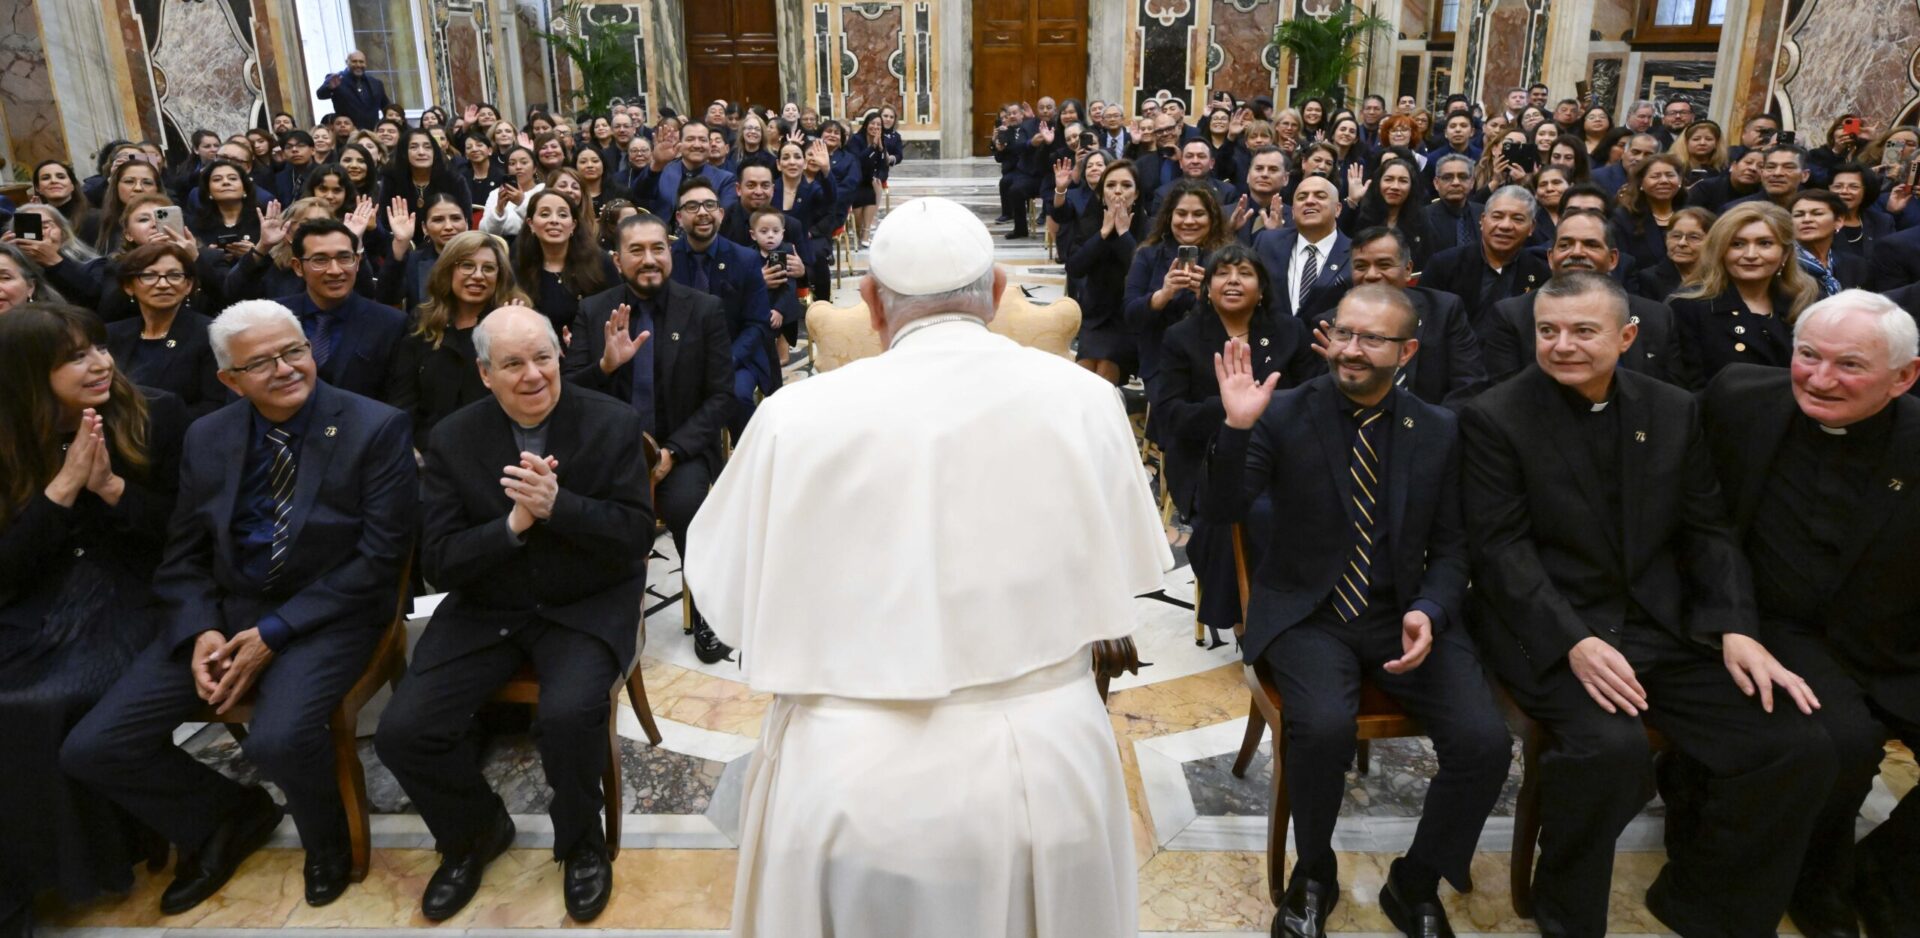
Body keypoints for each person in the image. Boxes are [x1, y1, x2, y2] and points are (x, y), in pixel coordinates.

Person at [683, 194, 1170, 938]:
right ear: (1000, 293)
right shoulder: (1090, 401)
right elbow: (1135, 567)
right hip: (1049, 771)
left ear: (872, 303)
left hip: (848, 782)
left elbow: (720, 591)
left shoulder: (793, 416)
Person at [1459, 271, 1834, 938]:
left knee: (1795, 744)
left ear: (1627, 336)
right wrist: (1573, 640)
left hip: (1664, 625)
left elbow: (1707, 530)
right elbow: (1501, 551)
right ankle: (1566, 914)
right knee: (1608, 755)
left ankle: (1701, 902)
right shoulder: (1495, 416)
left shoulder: (1672, 408)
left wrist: (1735, 628)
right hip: (1550, 629)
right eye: (1548, 331)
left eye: (1582, 331)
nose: (1562, 345)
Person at [61, 299, 417, 914]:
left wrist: (273, 632)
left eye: (294, 351)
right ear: (229, 379)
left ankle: (326, 842)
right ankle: (226, 817)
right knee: (96, 746)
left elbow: (378, 563)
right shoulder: (210, 434)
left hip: (329, 613)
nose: (285, 369)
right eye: (262, 363)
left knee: (276, 740)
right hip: (226, 610)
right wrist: (198, 626)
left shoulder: (374, 426)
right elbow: (184, 552)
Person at [1207, 284, 1508, 938]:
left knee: (1486, 743)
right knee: (1320, 728)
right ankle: (1313, 874)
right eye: (1343, 333)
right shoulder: (1283, 412)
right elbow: (1223, 509)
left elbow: (1455, 545)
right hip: (1310, 611)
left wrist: (1430, 607)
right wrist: (1237, 427)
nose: (1351, 349)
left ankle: (1417, 879)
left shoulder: (1437, 427)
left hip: (1404, 610)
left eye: (1371, 339)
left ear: (1407, 351)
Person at [375, 305, 649, 924]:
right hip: (488, 605)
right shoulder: (451, 438)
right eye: (513, 364)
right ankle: (474, 832)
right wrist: (510, 527)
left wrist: (560, 507)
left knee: (570, 714)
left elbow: (634, 539)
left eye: (543, 358)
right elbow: (441, 561)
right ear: (484, 374)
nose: (532, 376)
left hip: (584, 604)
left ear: (561, 356)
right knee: (403, 731)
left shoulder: (613, 422)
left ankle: (581, 844)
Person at [1699, 292, 1920, 938]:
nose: (1820, 379)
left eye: (1849, 365)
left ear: (1904, 377)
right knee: (1843, 745)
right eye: (1807, 356)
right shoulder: (1738, 397)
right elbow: (1695, 515)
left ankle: (1887, 871)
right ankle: (1814, 878)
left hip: (1897, 635)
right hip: (1782, 630)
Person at [0, 304, 186, 938]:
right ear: (30, 374)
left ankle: (64, 873)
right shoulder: (8, 438)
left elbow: (182, 538)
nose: (101, 363)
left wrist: (108, 489)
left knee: (37, 702)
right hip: (39, 601)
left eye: (99, 348)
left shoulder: (156, 413)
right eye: (75, 357)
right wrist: (60, 489)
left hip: (131, 595)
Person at [561, 213, 734, 665]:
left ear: (670, 253)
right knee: (581, 512)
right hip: (611, 453)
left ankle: (708, 611)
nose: (649, 259)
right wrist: (605, 366)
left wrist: (672, 452)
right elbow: (569, 394)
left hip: (681, 447)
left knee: (686, 508)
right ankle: (596, 617)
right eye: (636, 251)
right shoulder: (594, 311)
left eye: (658, 248)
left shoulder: (704, 309)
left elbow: (720, 397)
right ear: (618, 260)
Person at [1153, 243, 1320, 647]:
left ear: (1261, 288)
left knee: (1305, 508)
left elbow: (1311, 399)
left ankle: (1298, 606)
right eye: (1222, 273)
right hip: (1206, 457)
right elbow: (1170, 415)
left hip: (1279, 454)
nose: (1232, 280)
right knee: (1237, 514)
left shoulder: (1288, 331)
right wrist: (1230, 412)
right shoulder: (1182, 336)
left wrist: (1261, 409)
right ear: (1206, 287)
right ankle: (1248, 616)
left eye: (1244, 273)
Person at [1480, 210, 1692, 389]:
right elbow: (1507, 399)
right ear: (1551, 258)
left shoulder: (1656, 316)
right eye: (1565, 245)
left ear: (1613, 259)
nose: (1578, 252)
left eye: (1591, 244)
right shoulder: (1511, 315)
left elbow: (1672, 397)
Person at [384, 231, 527, 442]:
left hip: (496, 449)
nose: (478, 275)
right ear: (448, 270)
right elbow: (403, 400)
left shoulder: (515, 320)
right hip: (429, 452)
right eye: (467, 265)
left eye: (488, 268)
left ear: (500, 276)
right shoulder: (422, 322)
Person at [1670, 201, 1820, 381]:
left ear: (1785, 254)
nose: (1750, 254)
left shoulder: (1807, 302)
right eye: (1737, 244)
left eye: (1764, 243)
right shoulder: (1688, 308)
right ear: (1721, 251)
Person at [671, 178, 775, 435]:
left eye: (709, 205)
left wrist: (728, 359)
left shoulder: (745, 259)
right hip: (679, 356)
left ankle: (749, 466)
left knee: (736, 397)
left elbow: (757, 323)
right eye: (693, 206)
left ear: (721, 213)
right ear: (679, 217)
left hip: (736, 355)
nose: (703, 212)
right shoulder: (667, 260)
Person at [1345, 226, 1486, 407]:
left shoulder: (1443, 311)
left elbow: (1469, 384)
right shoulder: (1333, 324)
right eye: (1360, 266)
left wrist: (1434, 428)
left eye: (1384, 265)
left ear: (1408, 269)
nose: (1371, 275)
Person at [276, 218, 406, 400]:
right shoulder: (274, 316)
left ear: (358, 261)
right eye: (320, 260)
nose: (335, 270)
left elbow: (400, 398)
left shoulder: (391, 323)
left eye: (345, 258)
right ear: (298, 267)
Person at [1125, 180, 1231, 386]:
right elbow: (1130, 314)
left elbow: (1242, 317)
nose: (1189, 221)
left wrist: (1207, 296)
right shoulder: (1148, 255)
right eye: (1181, 213)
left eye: (1198, 214)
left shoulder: (1227, 259)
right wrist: (1162, 295)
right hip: (1160, 362)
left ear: (1212, 219)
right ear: (1169, 217)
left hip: (1213, 362)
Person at [107, 241, 227, 417]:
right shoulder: (111, 334)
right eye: (149, 276)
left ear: (188, 285)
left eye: (174, 275)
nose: (163, 284)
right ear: (129, 286)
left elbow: (216, 407)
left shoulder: (210, 334)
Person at [1420, 185, 1550, 335]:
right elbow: (1426, 321)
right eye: (1497, 216)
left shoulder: (1541, 272)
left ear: (1531, 228)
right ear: (1482, 220)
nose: (1505, 225)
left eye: (1517, 219)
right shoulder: (1444, 265)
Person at [1065, 159, 1147, 383]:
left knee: (1105, 368)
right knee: (1084, 369)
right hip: (1096, 316)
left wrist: (1123, 234)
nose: (1118, 191)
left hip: (1130, 316)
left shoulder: (1149, 226)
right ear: (1101, 194)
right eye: (1110, 185)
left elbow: (1143, 271)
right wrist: (1102, 234)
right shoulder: (1090, 223)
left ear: (1137, 193)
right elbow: (1075, 267)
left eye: (1126, 185)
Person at [511, 189, 617, 336]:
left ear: (573, 225)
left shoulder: (600, 262)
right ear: (531, 224)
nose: (554, 220)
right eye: (544, 214)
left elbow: (615, 314)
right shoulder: (519, 268)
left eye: (562, 215)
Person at [1252, 173, 1350, 326]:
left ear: (1337, 209)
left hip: (1327, 345)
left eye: (1320, 196)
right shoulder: (1267, 243)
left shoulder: (1355, 253)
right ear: (1292, 212)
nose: (1309, 201)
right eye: (1302, 197)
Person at [1790, 189, 1870, 296]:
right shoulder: (1782, 265)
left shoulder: (1855, 265)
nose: (1807, 219)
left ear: (1838, 221)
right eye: (1798, 215)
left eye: (1817, 213)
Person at [1630, 205, 1715, 302]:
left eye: (1694, 237)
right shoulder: (1649, 279)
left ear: (1712, 241)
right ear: (1666, 239)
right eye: (1676, 236)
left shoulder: (1721, 276)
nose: (1682, 243)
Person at [1422, 154, 1482, 256]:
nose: (1456, 183)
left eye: (1463, 177)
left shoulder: (1484, 213)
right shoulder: (1422, 218)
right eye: (1447, 177)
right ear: (1436, 183)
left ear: (1472, 182)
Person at [316, 50, 390, 130]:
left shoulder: (376, 83)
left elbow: (387, 108)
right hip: (347, 134)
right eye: (354, 61)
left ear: (365, 64)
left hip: (372, 133)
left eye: (361, 62)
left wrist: (384, 126)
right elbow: (320, 94)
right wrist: (329, 87)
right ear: (347, 62)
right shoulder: (336, 79)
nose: (358, 65)